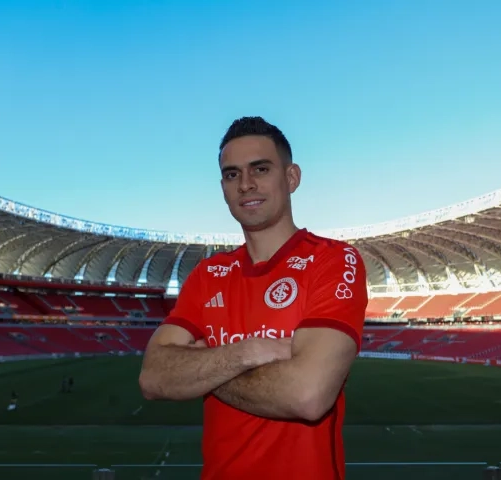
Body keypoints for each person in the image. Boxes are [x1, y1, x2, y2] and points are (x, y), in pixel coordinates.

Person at [138, 116, 368, 479]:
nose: (245, 184)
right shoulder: (208, 275)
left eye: (260, 169)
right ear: (223, 187)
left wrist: (203, 366)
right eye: (232, 174)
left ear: (291, 178)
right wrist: (250, 352)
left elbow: (307, 395)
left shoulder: (333, 260)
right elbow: (153, 376)